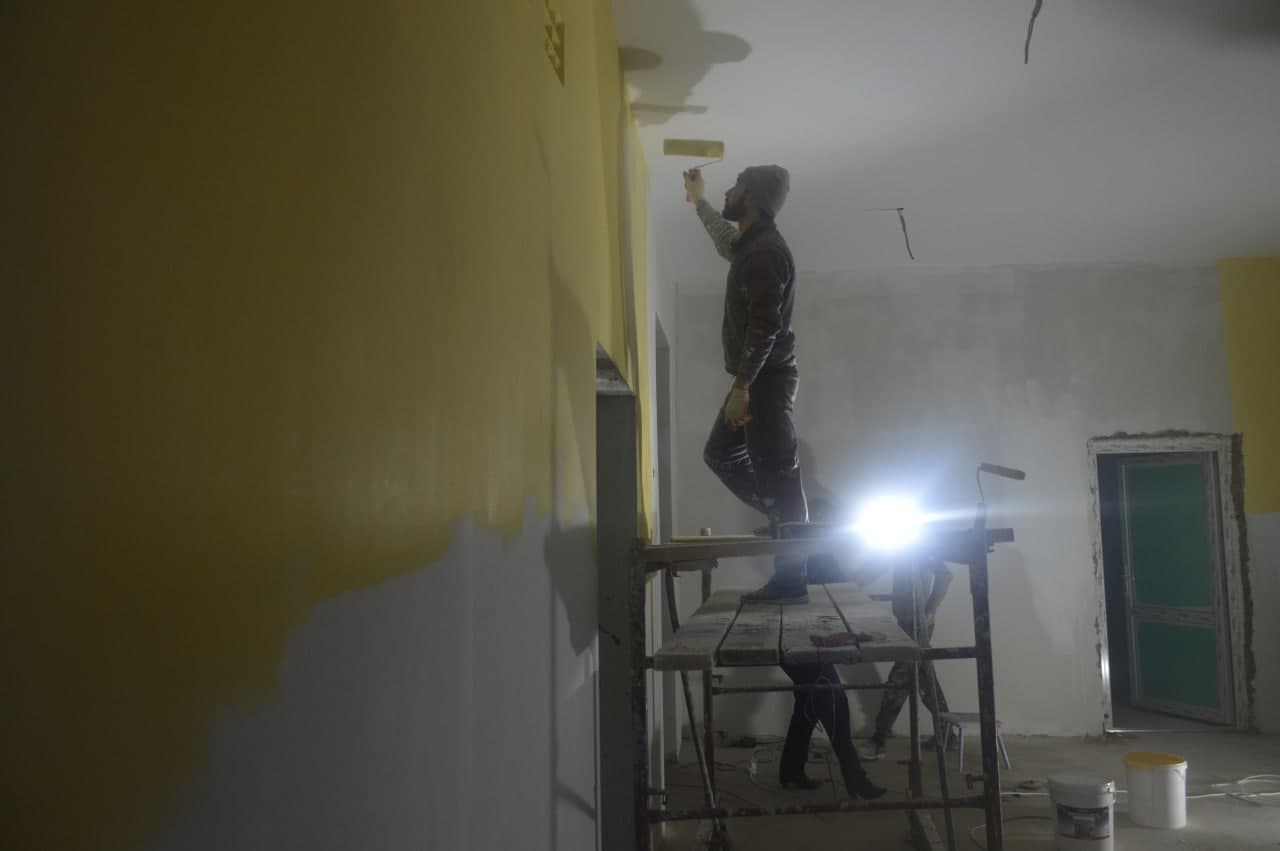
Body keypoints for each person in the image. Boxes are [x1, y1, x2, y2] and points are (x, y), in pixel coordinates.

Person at [684, 164, 810, 603]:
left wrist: (742, 388)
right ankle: (787, 524)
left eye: (735, 187)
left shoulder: (765, 253)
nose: (728, 191)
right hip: (759, 378)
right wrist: (699, 201)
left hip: (765, 381)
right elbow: (725, 241)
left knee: (780, 477)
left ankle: (792, 577)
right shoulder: (751, 245)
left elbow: (765, 328)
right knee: (722, 454)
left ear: (751, 196)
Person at [860, 557, 953, 761]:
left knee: (900, 678)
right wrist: (851, 581)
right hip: (908, 621)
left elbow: (946, 576)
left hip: (917, 624)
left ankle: (879, 739)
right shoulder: (900, 547)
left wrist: (929, 610)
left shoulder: (920, 546)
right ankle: (947, 733)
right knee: (924, 677)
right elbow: (875, 567)